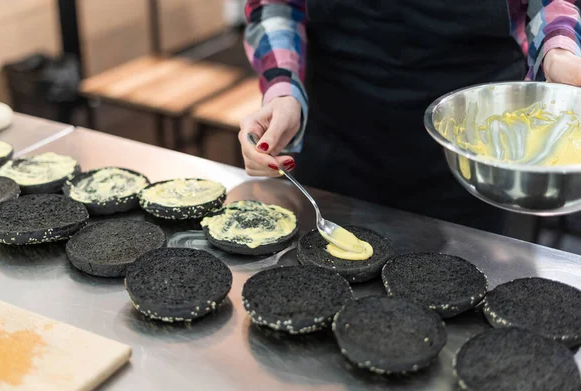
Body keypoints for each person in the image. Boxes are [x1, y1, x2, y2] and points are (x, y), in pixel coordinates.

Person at [238, 0, 581, 233]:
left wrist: (559, 49)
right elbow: (276, 4)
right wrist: (282, 89)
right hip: (338, 134)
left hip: (479, 151)